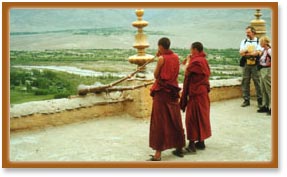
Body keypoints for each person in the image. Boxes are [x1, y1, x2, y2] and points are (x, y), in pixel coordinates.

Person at [148, 37, 186, 161]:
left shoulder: (161, 58)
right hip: (173, 91)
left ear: (160, 46)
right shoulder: (176, 57)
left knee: (160, 121)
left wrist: (159, 58)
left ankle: (158, 154)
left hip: (162, 92)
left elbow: (155, 75)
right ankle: (179, 147)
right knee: (175, 119)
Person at [180, 42, 211, 153]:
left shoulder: (197, 61)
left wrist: (188, 60)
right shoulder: (203, 60)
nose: (190, 51)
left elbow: (186, 71)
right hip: (202, 94)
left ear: (195, 50)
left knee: (192, 118)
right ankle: (201, 142)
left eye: (191, 49)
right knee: (201, 117)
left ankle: (192, 144)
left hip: (196, 94)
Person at [239, 26, 263, 107]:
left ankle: (260, 100)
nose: (247, 34)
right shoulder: (244, 41)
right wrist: (251, 52)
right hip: (246, 63)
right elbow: (241, 52)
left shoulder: (259, 41)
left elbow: (258, 53)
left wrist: (247, 52)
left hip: (255, 64)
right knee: (245, 81)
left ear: (253, 32)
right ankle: (246, 100)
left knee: (257, 82)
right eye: (246, 32)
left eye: (248, 32)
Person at [257, 36, 271, 115]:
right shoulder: (264, 50)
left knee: (269, 89)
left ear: (264, 42)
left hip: (267, 70)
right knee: (263, 89)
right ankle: (265, 105)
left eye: (261, 42)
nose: (260, 43)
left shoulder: (269, 50)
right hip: (262, 70)